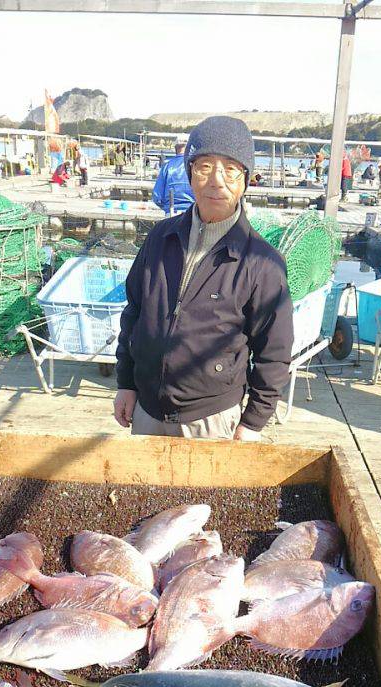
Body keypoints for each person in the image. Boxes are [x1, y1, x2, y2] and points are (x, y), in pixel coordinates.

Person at [114, 115, 293, 442]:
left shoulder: (263, 262)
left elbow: (274, 352)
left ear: (246, 179)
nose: (216, 180)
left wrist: (253, 421)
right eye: (205, 166)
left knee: (202, 496)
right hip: (147, 408)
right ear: (190, 172)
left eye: (230, 168)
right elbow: (134, 313)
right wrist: (126, 382)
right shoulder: (159, 237)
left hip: (210, 419)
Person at [152, 139, 195, 215]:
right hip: (192, 212)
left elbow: (157, 197)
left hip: (171, 211)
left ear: (175, 149)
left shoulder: (167, 166)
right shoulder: (194, 166)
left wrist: (166, 207)